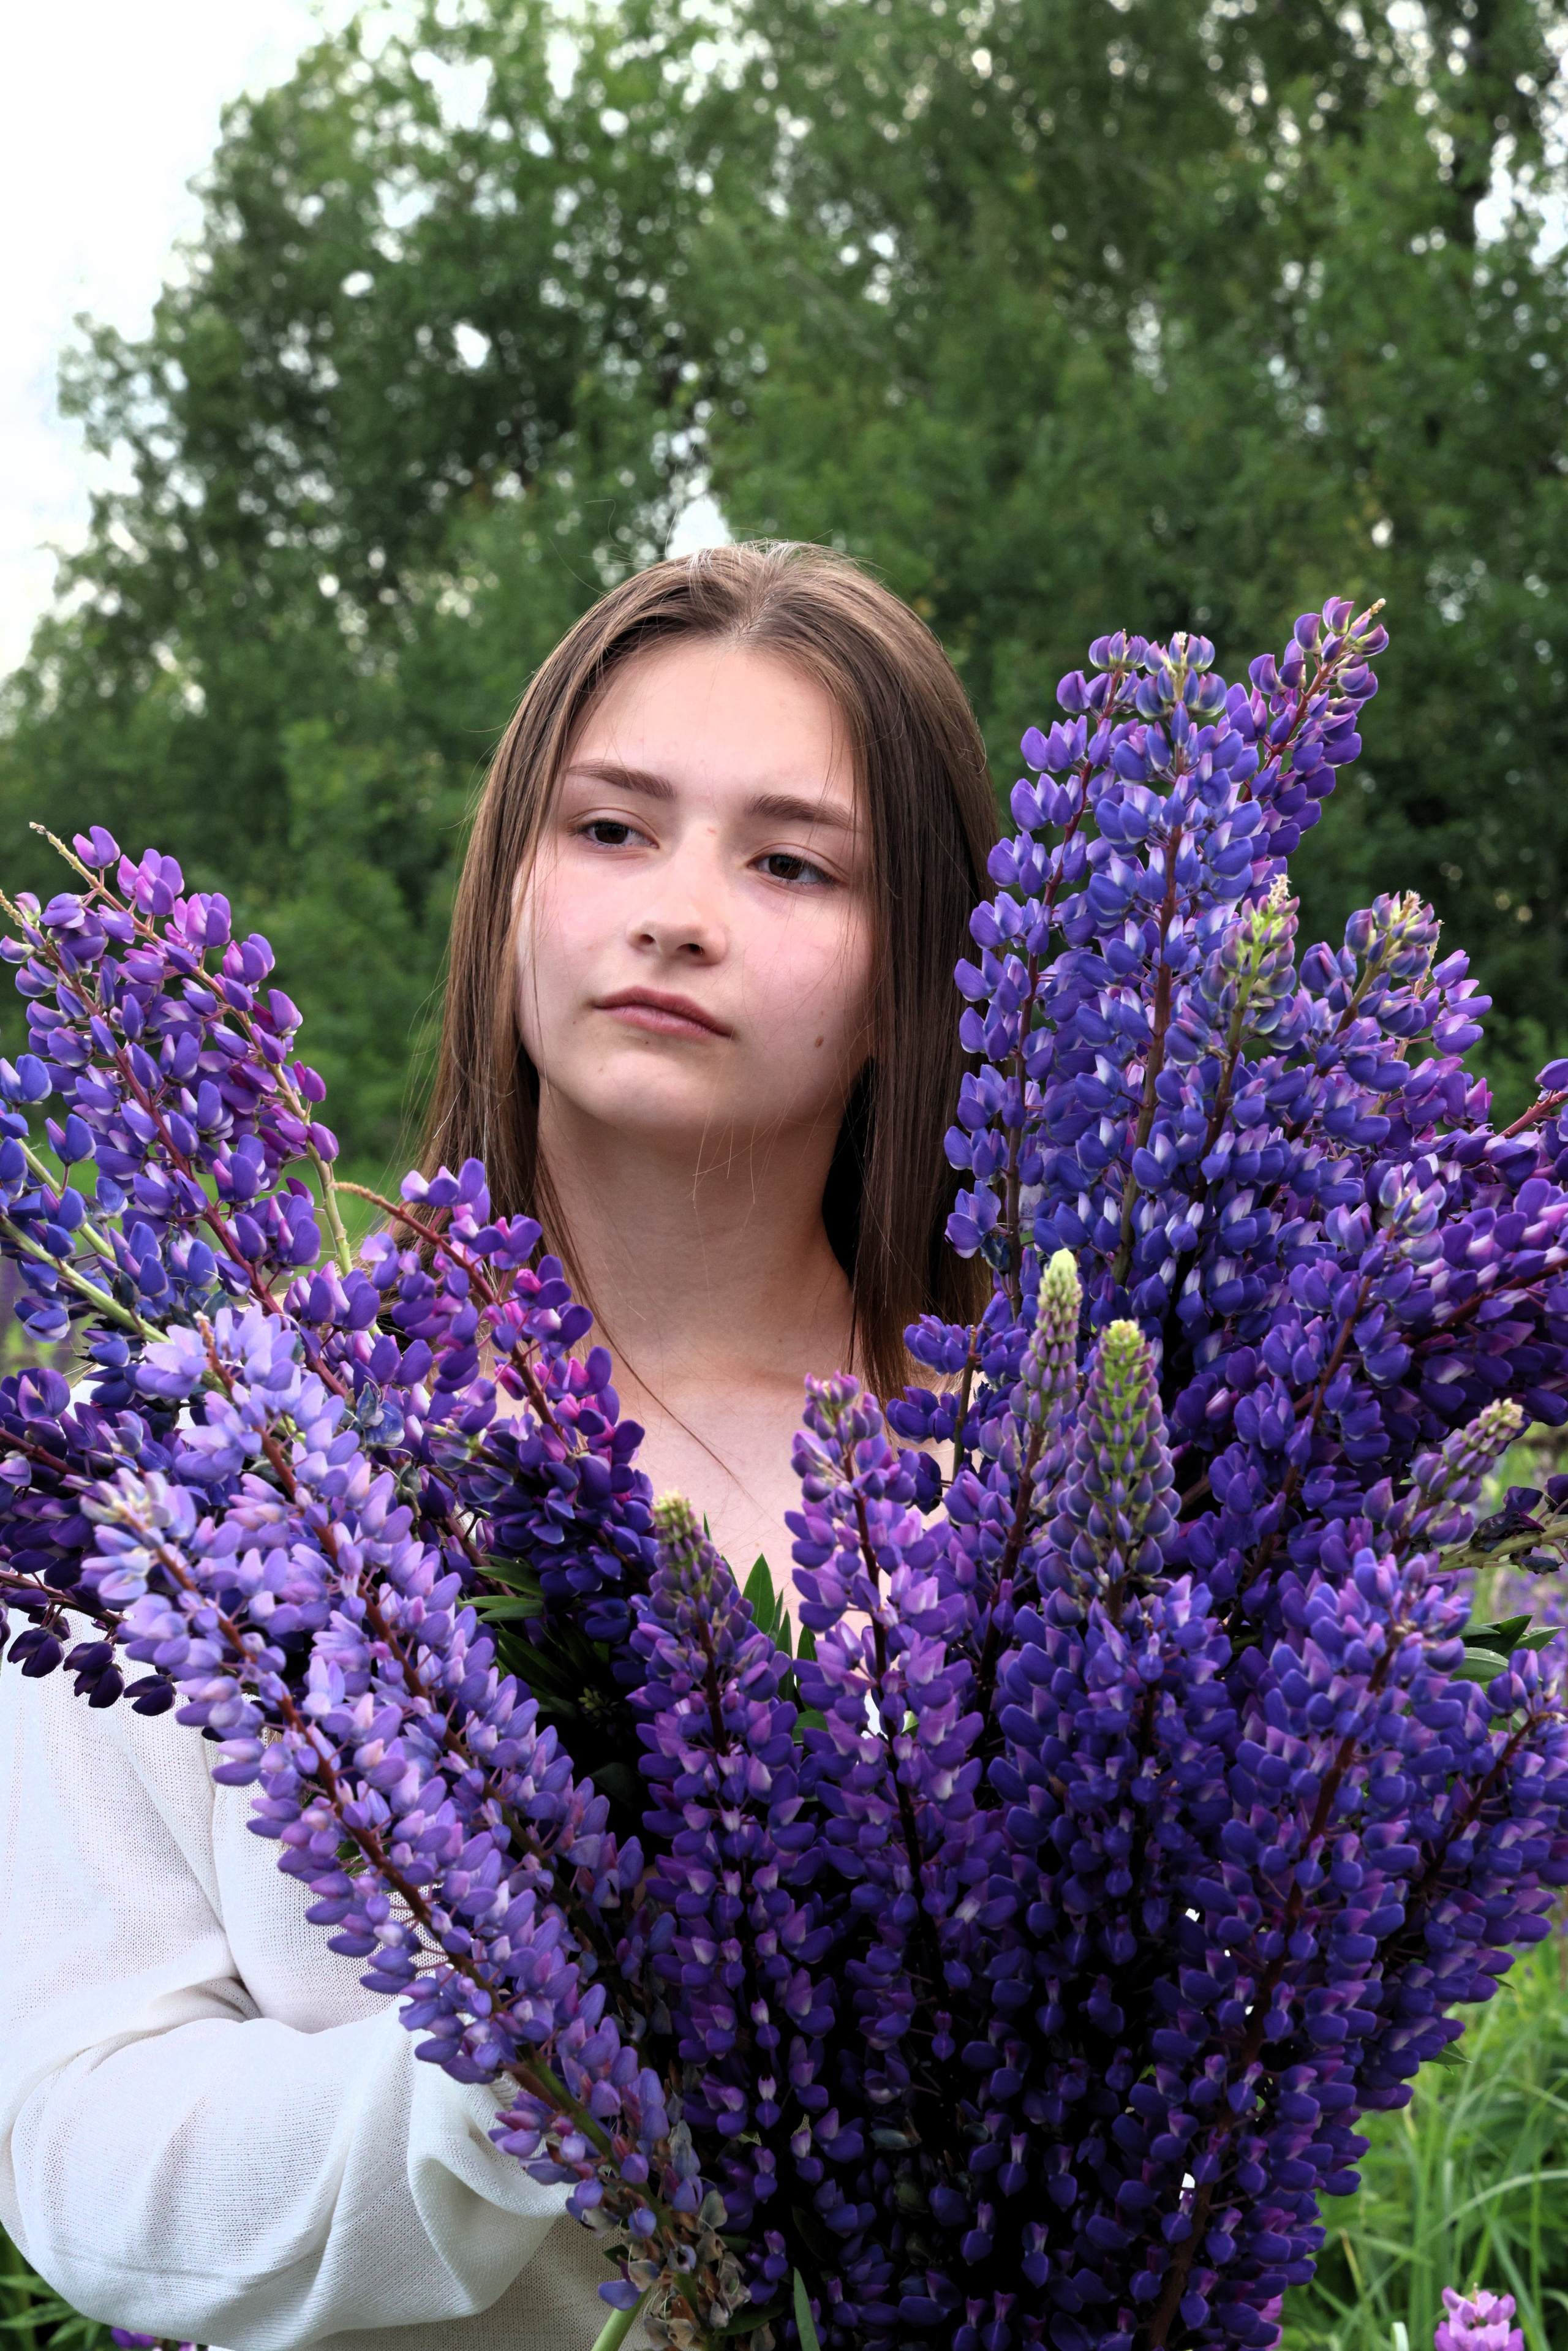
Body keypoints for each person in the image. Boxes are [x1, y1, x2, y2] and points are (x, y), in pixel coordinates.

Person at [0, 543, 997, 2350]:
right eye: (612, 828)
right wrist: (518, 2071)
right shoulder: (208, 1454)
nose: (678, 910)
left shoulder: (1022, 1472)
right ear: (511, 885)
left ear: (914, 963)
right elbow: (77, 2144)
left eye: (790, 862)